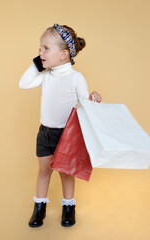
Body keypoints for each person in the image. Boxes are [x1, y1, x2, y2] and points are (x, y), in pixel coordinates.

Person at [19, 24, 102, 228]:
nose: (40, 52)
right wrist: (38, 63)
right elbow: (24, 83)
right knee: (43, 171)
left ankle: (68, 207)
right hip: (45, 133)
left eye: (46, 48)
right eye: (40, 48)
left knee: (66, 172)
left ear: (64, 54)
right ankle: (39, 208)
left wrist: (94, 98)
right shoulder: (46, 74)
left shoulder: (76, 78)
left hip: (66, 135)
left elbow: (85, 103)